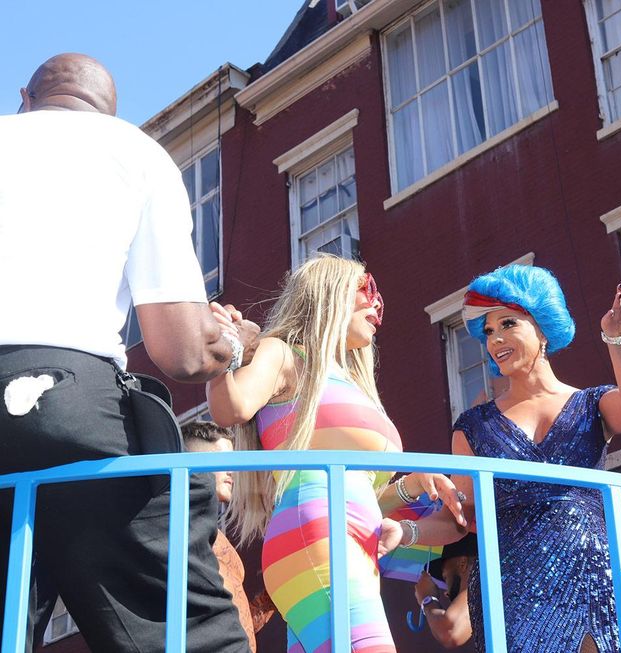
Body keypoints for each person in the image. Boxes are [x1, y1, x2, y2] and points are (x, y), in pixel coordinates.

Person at [0, 54, 257, 651]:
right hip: (65, 402)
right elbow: (182, 353)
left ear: (25, 98)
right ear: (111, 114)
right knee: (180, 629)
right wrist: (233, 344)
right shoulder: (135, 153)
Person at [206, 254, 466, 653]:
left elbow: (358, 497)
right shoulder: (285, 354)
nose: (377, 303)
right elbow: (232, 408)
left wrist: (412, 486)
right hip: (315, 535)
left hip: (355, 544)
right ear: (329, 293)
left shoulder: (351, 382)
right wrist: (222, 351)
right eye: (366, 288)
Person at [449, 264, 621, 653]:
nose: (495, 338)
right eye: (488, 331)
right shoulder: (473, 427)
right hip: (512, 590)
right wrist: (406, 530)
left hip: (590, 577)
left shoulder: (591, 404)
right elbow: (463, 514)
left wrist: (616, 335)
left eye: (508, 323)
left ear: (542, 328)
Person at [181, 421, 277, 652]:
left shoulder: (209, 530)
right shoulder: (174, 526)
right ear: (192, 463)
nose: (232, 471)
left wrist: (273, 595)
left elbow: (235, 621)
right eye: (223, 461)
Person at [413, 533, 477, 649]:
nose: (446, 593)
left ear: (462, 564)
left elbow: (450, 632)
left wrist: (427, 599)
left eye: (446, 578)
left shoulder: (483, 578)